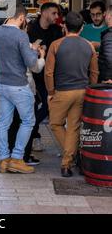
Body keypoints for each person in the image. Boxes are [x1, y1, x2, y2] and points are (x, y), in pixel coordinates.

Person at [45, 12, 98, 177]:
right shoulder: (89, 45)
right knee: (74, 127)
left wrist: (50, 92)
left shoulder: (56, 45)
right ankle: (68, 163)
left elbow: (48, 73)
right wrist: (91, 89)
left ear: (64, 26)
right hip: (82, 91)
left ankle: (69, 157)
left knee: (55, 124)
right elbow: (94, 72)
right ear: (82, 28)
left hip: (62, 91)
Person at [0, 4, 39, 174]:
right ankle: (17, 158)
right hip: (18, 85)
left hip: (1, 82)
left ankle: (4, 159)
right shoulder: (21, 36)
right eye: (24, 19)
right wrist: (34, 51)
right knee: (28, 121)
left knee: (3, 122)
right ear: (21, 17)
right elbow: (31, 63)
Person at [27, 2, 63, 152]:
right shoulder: (31, 29)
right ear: (44, 12)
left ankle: (31, 131)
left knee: (48, 106)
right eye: (54, 13)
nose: (57, 17)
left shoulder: (56, 31)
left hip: (50, 75)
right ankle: (33, 136)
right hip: (33, 74)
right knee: (33, 106)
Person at [98, 5, 112, 82]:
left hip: (108, 81)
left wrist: (109, 78)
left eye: (106, 14)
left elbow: (110, 59)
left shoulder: (109, 35)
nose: (104, 16)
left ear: (110, 16)